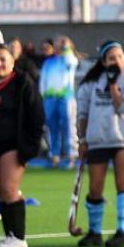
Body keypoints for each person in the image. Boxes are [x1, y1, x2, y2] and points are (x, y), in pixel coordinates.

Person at [75, 41, 124, 247]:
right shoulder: (90, 83)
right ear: (103, 61)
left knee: (122, 183)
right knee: (95, 187)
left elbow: (123, 106)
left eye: (120, 57)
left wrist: (113, 85)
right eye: (112, 58)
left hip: (122, 138)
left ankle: (123, 231)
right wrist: (82, 139)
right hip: (97, 139)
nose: (117, 61)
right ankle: (95, 232)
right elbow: (83, 113)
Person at [0, 43, 44, 247]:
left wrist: (30, 145)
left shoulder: (23, 83)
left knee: (10, 188)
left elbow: (36, 115)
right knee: (0, 189)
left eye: (3, 59)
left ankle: (19, 238)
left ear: (12, 62)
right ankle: (9, 236)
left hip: (15, 145)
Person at [40, 36, 78, 169]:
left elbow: (72, 62)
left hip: (65, 98)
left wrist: (66, 47)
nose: (58, 46)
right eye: (56, 44)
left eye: (60, 44)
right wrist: (43, 95)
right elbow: (43, 80)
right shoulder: (48, 62)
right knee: (52, 126)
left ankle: (71, 156)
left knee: (68, 126)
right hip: (50, 98)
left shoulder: (69, 59)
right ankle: (54, 156)